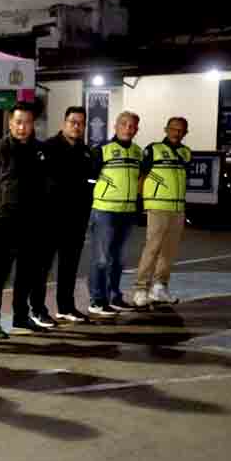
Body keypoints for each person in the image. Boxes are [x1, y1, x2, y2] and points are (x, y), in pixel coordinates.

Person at [0, 102, 54, 339]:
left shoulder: (40, 150)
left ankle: (21, 316)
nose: (23, 127)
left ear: (33, 124)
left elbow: (46, 186)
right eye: (18, 122)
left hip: (33, 222)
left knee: (26, 273)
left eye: (27, 123)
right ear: (10, 123)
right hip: (4, 221)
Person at [36, 107, 97, 323]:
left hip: (76, 219)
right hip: (50, 218)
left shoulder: (86, 152)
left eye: (81, 123)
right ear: (64, 123)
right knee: (42, 267)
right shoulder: (48, 147)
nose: (77, 126)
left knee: (69, 266)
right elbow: (38, 183)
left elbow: (91, 183)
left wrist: (85, 210)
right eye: (73, 122)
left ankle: (66, 307)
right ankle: (37, 310)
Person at [87, 111, 142, 315]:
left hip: (127, 212)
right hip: (105, 211)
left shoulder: (138, 152)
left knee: (118, 259)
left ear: (136, 129)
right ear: (115, 126)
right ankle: (97, 301)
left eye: (132, 126)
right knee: (101, 258)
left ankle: (114, 297)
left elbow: (139, 180)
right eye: (124, 124)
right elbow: (90, 180)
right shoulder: (102, 150)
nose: (128, 128)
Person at [133, 117, 191, 307]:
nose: (177, 133)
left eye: (181, 130)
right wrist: (140, 201)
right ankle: (141, 289)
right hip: (157, 206)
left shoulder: (186, 152)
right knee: (152, 248)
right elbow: (141, 176)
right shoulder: (153, 149)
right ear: (166, 129)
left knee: (169, 251)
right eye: (173, 129)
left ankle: (159, 287)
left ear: (185, 133)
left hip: (177, 208)